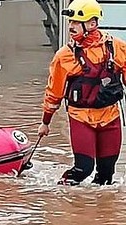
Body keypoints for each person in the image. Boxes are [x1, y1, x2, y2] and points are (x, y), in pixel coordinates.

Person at [38, 0, 126, 186]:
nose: (71, 26)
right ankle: (61, 196)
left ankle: (95, 212)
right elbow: (54, 93)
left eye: (77, 22)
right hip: (81, 117)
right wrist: (45, 122)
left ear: (92, 24)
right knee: (83, 169)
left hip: (110, 117)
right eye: (70, 22)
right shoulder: (64, 56)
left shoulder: (118, 48)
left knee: (107, 174)